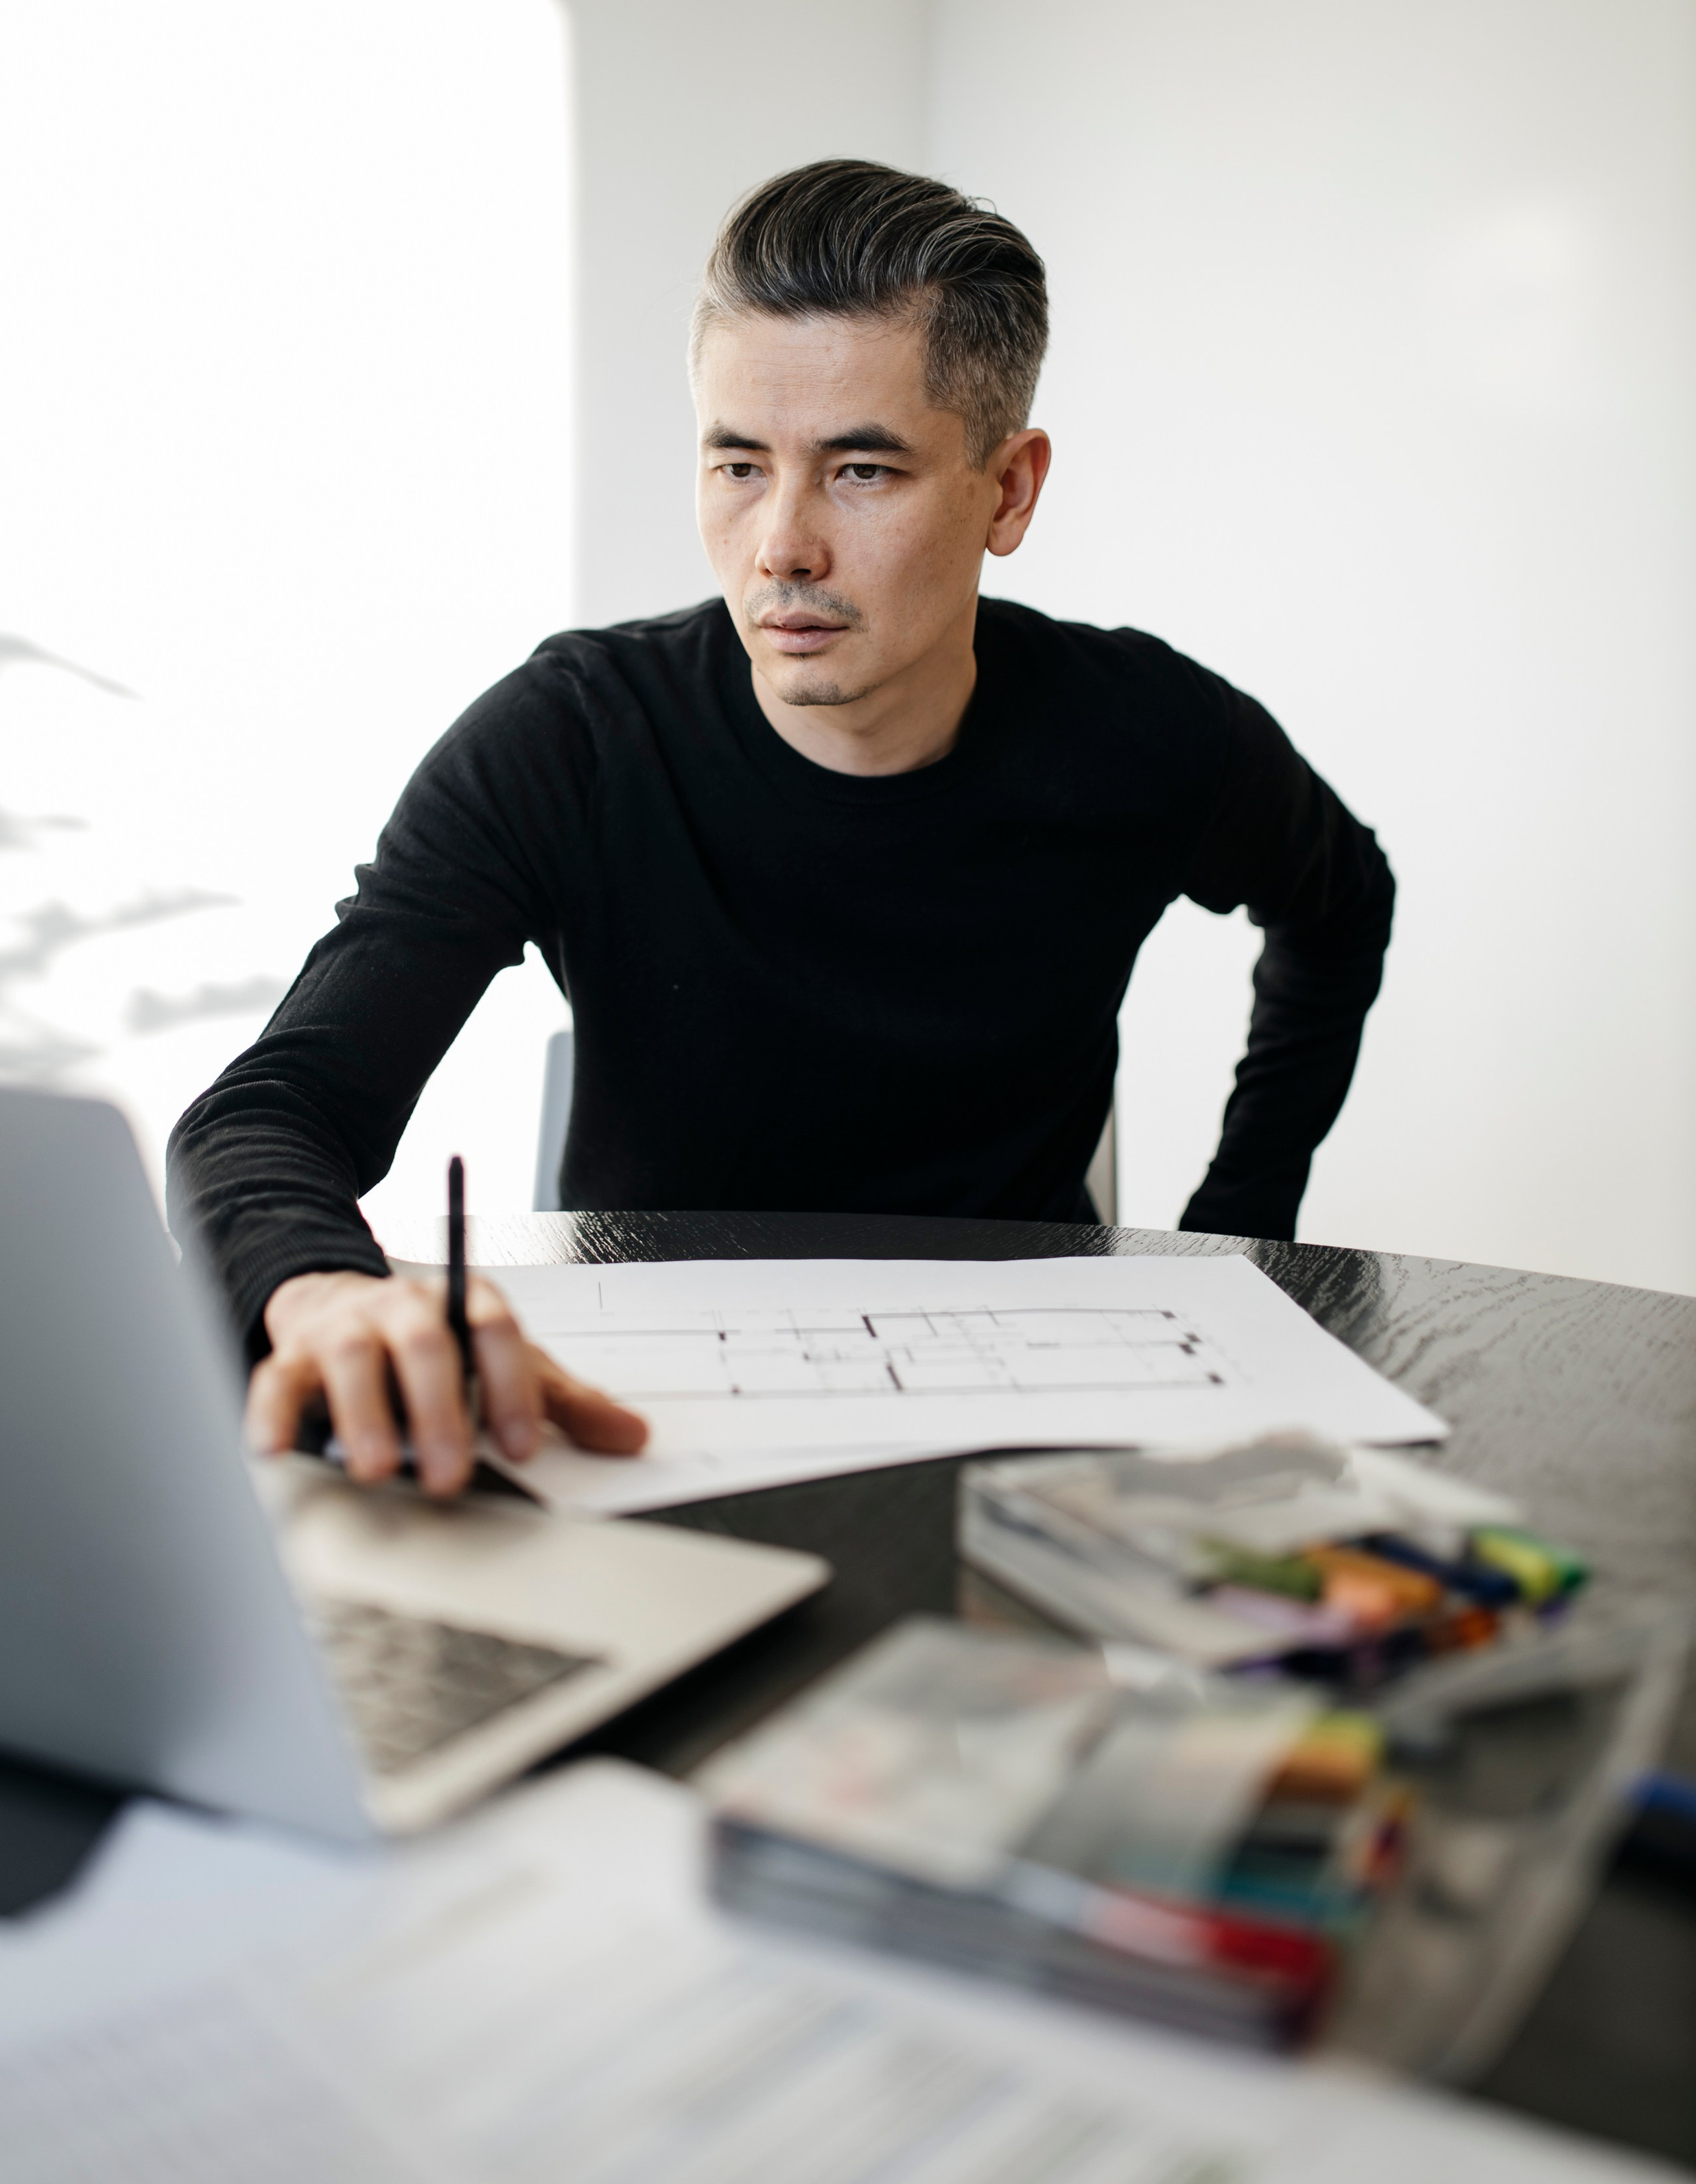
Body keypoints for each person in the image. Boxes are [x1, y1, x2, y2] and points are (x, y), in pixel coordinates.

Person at [170, 160, 1394, 1499]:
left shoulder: (1145, 734)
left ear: (1007, 491)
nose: (780, 545)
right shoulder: (570, 737)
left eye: (859, 469)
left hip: (1031, 1427)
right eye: (737, 464)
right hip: (647, 1416)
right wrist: (324, 1290)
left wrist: (1240, 1234)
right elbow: (273, 1107)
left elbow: (1340, 904)